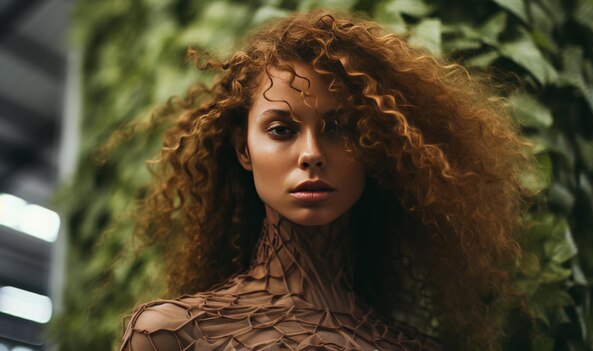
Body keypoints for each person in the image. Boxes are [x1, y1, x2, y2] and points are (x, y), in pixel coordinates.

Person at [118, 9, 537, 351]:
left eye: (340, 129)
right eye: (281, 129)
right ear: (243, 150)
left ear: (374, 147)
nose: (312, 154)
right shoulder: (170, 335)